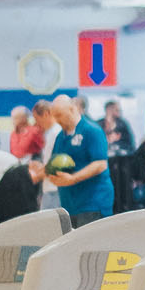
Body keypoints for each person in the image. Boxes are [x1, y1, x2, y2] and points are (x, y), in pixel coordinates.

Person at [43, 94, 114, 224]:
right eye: (55, 116)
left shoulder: (92, 131)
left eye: (59, 115)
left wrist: (73, 178)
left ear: (72, 109)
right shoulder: (60, 137)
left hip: (92, 203)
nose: (57, 120)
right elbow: (53, 163)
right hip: (69, 205)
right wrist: (47, 172)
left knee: (90, 243)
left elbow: (100, 164)